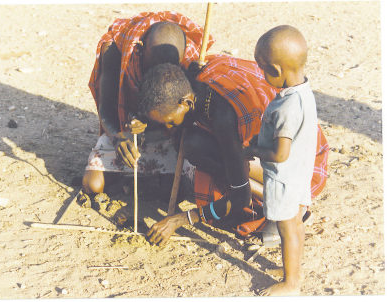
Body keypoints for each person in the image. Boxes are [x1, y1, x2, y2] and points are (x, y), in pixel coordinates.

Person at [138, 55, 328, 249]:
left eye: (170, 121)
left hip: (302, 167)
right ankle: (262, 191)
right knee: (193, 145)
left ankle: (291, 207)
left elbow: (240, 198)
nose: (169, 128)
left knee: (211, 158)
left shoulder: (224, 120)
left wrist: (181, 219)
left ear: (186, 103)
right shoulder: (195, 76)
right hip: (269, 153)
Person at [82, 11, 214, 200]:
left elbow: (189, 118)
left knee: (181, 190)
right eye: (154, 67)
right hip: (123, 133)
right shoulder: (115, 50)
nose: (160, 74)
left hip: (167, 135)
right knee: (93, 185)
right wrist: (119, 136)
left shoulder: (191, 60)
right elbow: (106, 107)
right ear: (140, 50)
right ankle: (139, 179)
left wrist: (157, 127)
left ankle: (143, 181)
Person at [244, 25, 318, 296]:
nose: (262, 75)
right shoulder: (303, 94)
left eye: (263, 69)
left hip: (284, 176)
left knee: (287, 229)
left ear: (275, 70)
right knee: (295, 225)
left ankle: (291, 283)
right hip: (299, 172)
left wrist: (251, 152)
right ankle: (293, 269)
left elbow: (280, 154)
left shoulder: (286, 107)